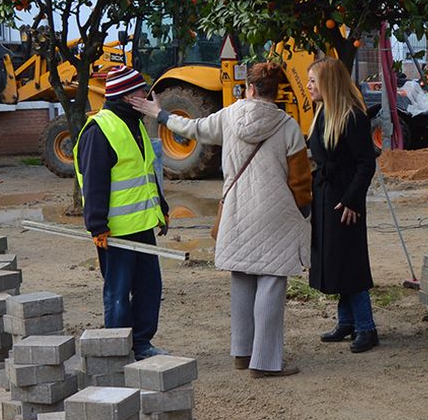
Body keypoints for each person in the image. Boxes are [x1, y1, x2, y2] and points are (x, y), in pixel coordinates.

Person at [133, 62, 311, 377]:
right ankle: (266, 362)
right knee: (271, 280)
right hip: (276, 212)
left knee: (242, 277)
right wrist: (302, 210)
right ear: (277, 90)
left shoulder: (228, 117)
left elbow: (192, 129)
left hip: (237, 210)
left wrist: (159, 114)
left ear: (249, 88)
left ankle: (242, 353)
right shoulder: (289, 126)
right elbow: (300, 180)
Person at [76, 65, 169, 360]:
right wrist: (97, 225)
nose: (148, 95)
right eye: (143, 91)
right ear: (129, 97)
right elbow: (94, 182)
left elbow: (146, 173)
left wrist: (161, 209)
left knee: (149, 287)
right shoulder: (100, 130)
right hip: (114, 232)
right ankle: (117, 351)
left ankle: (141, 344)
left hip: (141, 225)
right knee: (118, 293)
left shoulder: (135, 125)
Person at [306, 57, 380, 353]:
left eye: (313, 80)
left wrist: (352, 200)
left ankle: (366, 327)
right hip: (325, 196)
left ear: (329, 83)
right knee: (335, 261)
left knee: (350, 263)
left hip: (345, 199)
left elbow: (366, 164)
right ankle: (347, 321)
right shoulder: (323, 112)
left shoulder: (353, 116)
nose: (309, 86)